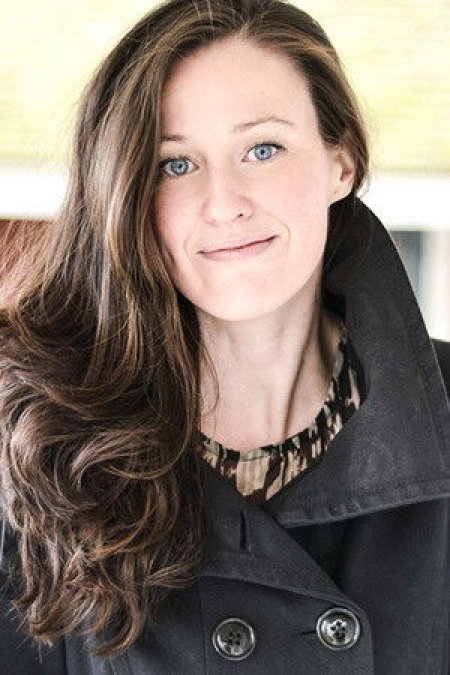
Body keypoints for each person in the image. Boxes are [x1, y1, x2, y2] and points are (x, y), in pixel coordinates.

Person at [1, 0, 449, 672]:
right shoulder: (36, 441)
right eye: (176, 164)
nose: (224, 203)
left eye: (262, 149)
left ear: (342, 161)